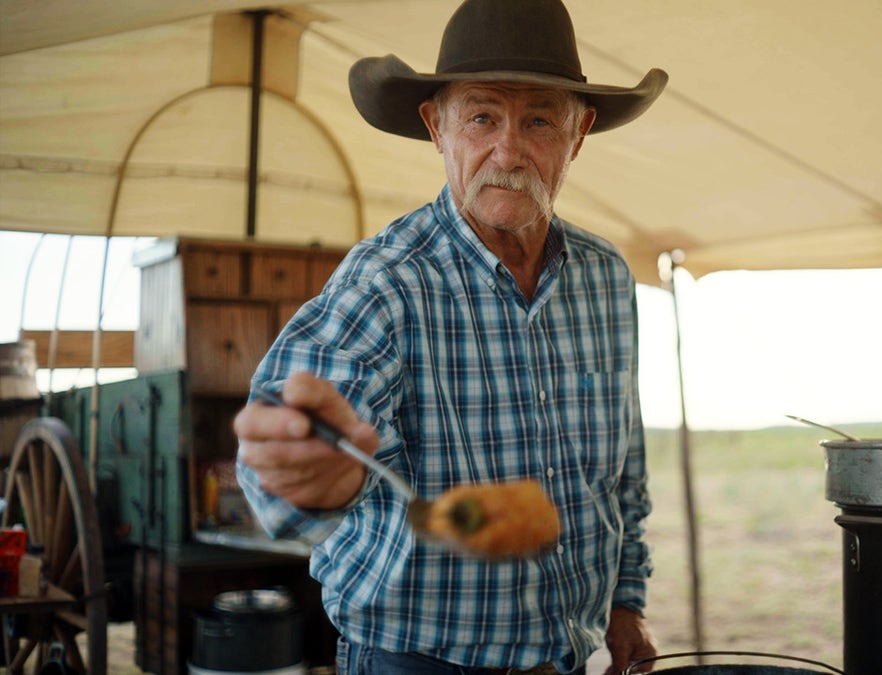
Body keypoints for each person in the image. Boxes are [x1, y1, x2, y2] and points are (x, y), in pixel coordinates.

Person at [233, 1, 668, 674]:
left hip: (563, 660)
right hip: (415, 660)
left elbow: (621, 479)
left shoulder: (606, 278)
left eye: (540, 120)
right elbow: (282, 452)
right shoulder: (386, 281)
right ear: (438, 126)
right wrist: (310, 477)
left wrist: (624, 604)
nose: (510, 149)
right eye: (483, 116)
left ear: (578, 134)